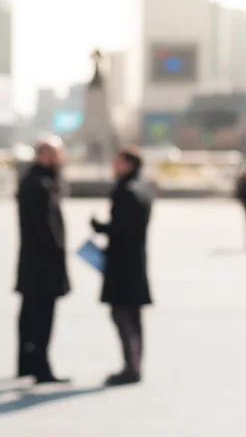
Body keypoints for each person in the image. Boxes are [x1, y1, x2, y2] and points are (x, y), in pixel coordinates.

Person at [91, 146, 153, 386]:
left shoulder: (125, 191)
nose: (112, 165)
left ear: (128, 163)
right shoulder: (142, 188)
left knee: (122, 313)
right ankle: (135, 364)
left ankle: (131, 366)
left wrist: (101, 228)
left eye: (116, 161)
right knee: (134, 316)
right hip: (135, 260)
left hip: (122, 262)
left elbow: (123, 227)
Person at [15, 136, 70, 384]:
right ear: (45, 156)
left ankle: (27, 364)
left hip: (33, 261)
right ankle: (40, 367)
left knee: (29, 314)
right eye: (58, 154)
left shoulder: (35, 180)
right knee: (41, 316)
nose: (62, 159)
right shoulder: (41, 185)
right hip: (44, 263)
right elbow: (47, 229)